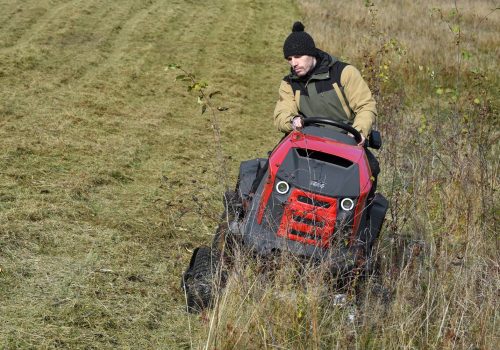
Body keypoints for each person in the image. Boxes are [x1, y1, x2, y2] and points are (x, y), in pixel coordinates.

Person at [273, 21, 380, 190]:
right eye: (289, 59)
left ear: (311, 54)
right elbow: (281, 114)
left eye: (298, 57)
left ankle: (362, 215)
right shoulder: (289, 84)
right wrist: (293, 121)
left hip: (346, 143)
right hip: (307, 141)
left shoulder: (344, 73)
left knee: (371, 173)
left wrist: (359, 132)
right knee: (272, 164)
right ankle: (249, 210)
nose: (293, 63)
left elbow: (366, 106)